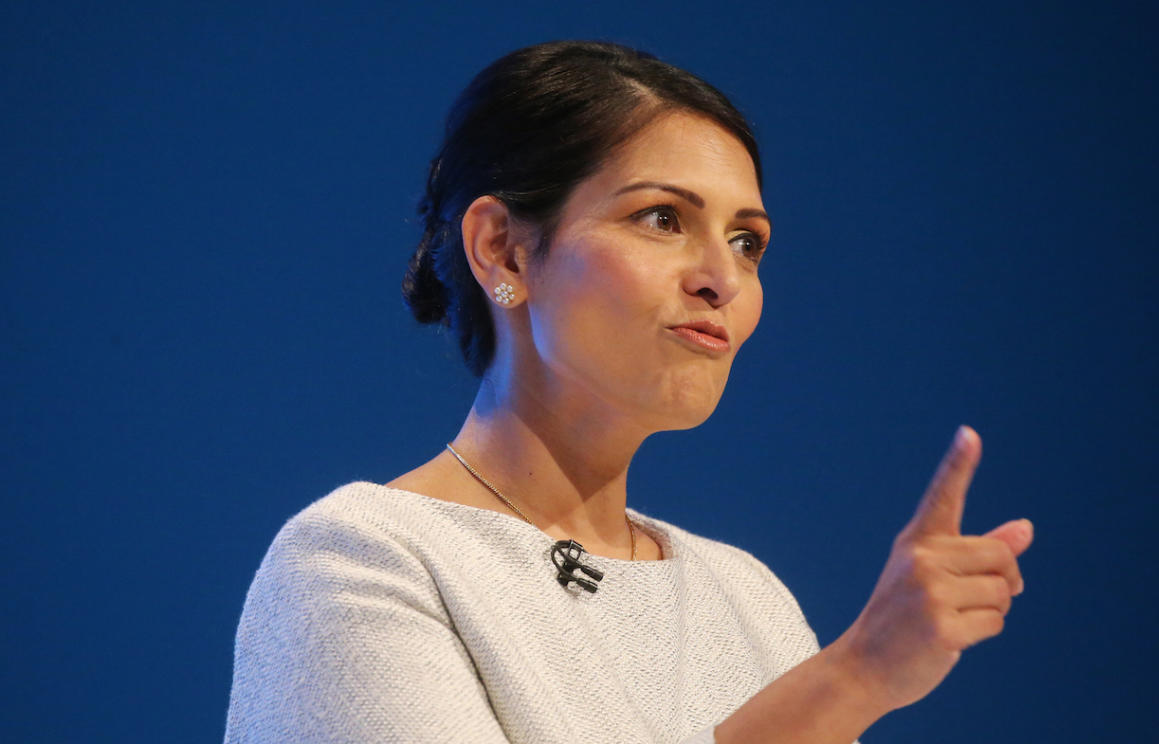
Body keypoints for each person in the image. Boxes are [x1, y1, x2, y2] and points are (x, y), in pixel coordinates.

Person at [223, 40, 1033, 744]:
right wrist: (853, 680)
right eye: (661, 219)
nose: (722, 279)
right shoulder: (365, 561)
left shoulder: (745, 596)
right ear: (503, 251)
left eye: (747, 242)